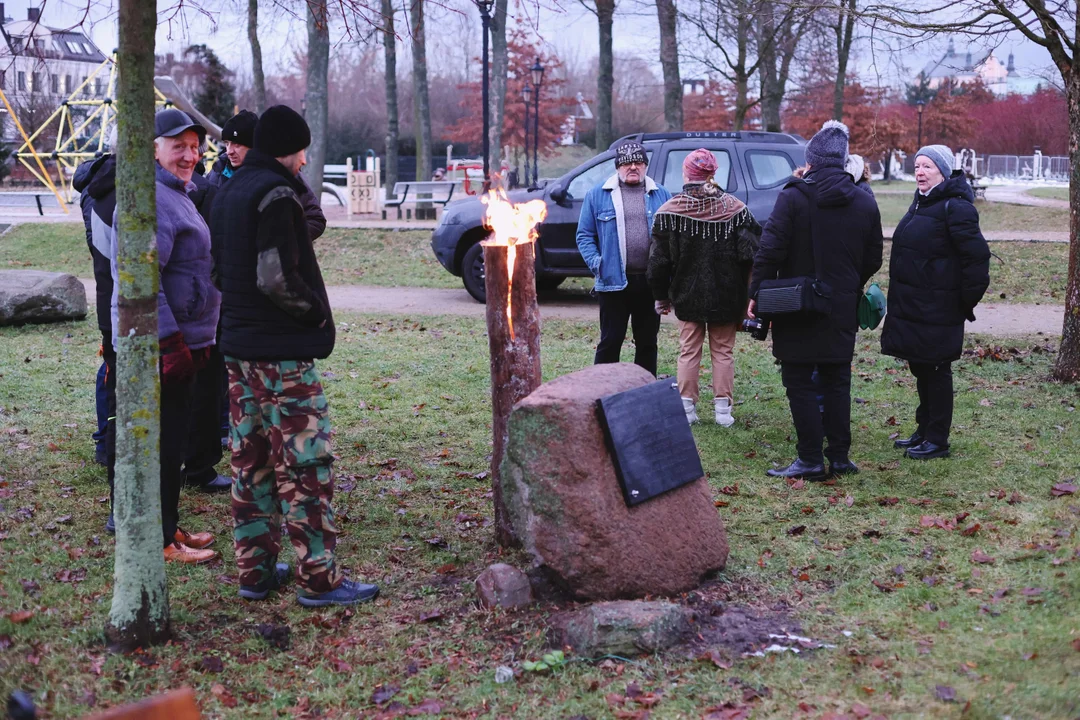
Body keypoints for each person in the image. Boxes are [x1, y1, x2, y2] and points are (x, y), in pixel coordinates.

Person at [211, 105, 379, 607]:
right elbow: (276, 278)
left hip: (238, 351)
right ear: (289, 148)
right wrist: (313, 317)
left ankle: (255, 572)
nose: (305, 161)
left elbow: (221, 272)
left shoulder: (228, 191)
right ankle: (319, 580)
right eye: (302, 151)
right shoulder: (276, 194)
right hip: (282, 357)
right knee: (306, 468)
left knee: (251, 463)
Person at [107, 108, 221, 563]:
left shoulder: (178, 194)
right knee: (161, 443)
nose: (190, 155)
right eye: (179, 146)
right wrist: (170, 342)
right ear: (153, 150)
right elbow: (140, 280)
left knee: (171, 440)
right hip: (159, 347)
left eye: (195, 147)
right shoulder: (150, 199)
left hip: (184, 345)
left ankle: (167, 524)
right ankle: (159, 537)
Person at [748, 120, 883, 480]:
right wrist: (849, 283)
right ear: (841, 161)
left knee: (799, 381)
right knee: (837, 381)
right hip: (841, 305)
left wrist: (754, 294)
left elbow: (769, 251)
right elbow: (874, 258)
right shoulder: (864, 202)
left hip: (795, 304)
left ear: (811, 160)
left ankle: (809, 459)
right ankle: (839, 457)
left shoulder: (793, 197)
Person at [881, 145, 990, 460]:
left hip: (940, 311)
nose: (920, 172)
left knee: (937, 371)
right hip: (916, 309)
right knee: (922, 368)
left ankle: (937, 439)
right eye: (917, 166)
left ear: (943, 171)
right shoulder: (921, 204)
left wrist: (961, 303)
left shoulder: (956, 208)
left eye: (927, 166)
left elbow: (977, 261)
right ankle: (924, 430)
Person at [648, 148, 761, 426]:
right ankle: (723, 412)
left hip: (687, 294)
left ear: (687, 173)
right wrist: (750, 293)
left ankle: (687, 410)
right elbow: (752, 255)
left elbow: (658, 262)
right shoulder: (737, 210)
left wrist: (661, 296)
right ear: (714, 174)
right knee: (723, 352)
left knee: (689, 351)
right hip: (728, 295)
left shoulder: (670, 211)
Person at [576, 140, 672, 375]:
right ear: (618, 167)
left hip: (649, 283)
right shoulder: (597, 195)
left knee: (647, 343)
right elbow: (584, 235)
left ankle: (644, 391)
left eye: (638, 162)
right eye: (627, 163)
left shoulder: (662, 195)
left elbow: (672, 238)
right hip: (613, 282)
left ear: (645, 166)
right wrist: (597, 264)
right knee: (611, 341)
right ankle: (602, 393)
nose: (633, 168)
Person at [208, 109, 326, 242]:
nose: (229, 151)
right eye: (227, 143)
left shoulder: (284, 174)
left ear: (253, 146)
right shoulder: (216, 173)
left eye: (237, 144)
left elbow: (315, 219)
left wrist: (283, 243)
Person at [72, 150, 116, 468]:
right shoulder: (106, 190)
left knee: (111, 365)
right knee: (112, 367)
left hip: (108, 288)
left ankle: (105, 439)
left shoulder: (95, 185)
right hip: (112, 289)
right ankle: (105, 439)